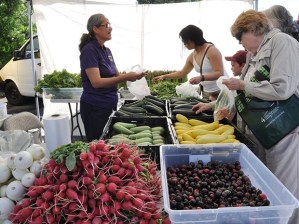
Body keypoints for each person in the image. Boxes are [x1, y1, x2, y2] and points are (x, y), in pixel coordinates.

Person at [222, 9, 299, 224]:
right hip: (262, 130)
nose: (240, 43)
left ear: (254, 29)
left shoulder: (283, 42)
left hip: (283, 131)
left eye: (240, 37)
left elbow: (282, 89)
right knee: (265, 187)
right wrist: (217, 102)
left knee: (282, 189)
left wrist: (243, 85)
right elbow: (246, 91)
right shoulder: (252, 54)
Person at [79, 13, 145, 142]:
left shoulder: (107, 51)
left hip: (109, 104)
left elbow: (116, 76)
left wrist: (132, 77)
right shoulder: (89, 50)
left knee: (108, 143)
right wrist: (124, 77)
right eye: (106, 25)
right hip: (95, 107)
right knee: (98, 144)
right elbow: (96, 82)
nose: (110, 28)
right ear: (95, 29)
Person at [152, 25, 225, 101]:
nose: (184, 44)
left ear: (194, 39)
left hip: (219, 91)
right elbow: (182, 73)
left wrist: (201, 78)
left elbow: (219, 73)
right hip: (206, 92)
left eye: (186, 41)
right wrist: (164, 76)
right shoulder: (192, 56)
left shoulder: (211, 50)